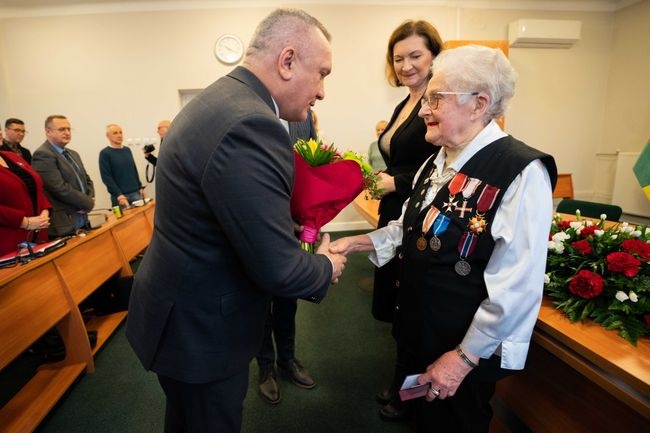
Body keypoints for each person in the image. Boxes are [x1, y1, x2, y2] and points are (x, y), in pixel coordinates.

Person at [125, 9, 345, 433]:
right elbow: (279, 269)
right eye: (321, 74)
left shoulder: (221, 99)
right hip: (201, 329)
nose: (321, 92)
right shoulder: (253, 123)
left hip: (180, 310)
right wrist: (325, 265)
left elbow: (226, 211)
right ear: (287, 60)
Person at [330, 45, 557, 433]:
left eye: (435, 98)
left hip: (463, 347)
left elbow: (516, 287)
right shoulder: (437, 160)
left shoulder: (521, 171)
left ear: (478, 104)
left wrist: (463, 359)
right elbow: (407, 228)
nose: (422, 110)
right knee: (425, 419)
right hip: (423, 330)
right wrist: (355, 243)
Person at [372, 19, 443, 421]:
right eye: (398, 58)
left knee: (414, 308)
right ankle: (405, 380)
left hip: (418, 212)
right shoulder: (406, 102)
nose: (406, 65)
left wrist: (395, 181)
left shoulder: (436, 99)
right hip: (396, 208)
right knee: (399, 306)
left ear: (435, 56)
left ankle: (412, 392)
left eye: (415, 55)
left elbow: (438, 162)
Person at [256, 110, 318, 405]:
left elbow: (313, 169)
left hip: (294, 229)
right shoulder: (250, 113)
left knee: (286, 301)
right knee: (258, 304)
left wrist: (312, 216)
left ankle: (288, 359)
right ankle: (265, 367)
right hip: (255, 229)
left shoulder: (303, 118)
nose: (318, 93)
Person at [31, 115, 95, 237]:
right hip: (65, 221)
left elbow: (86, 179)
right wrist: (87, 203)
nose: (67, 133)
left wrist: (91, 197)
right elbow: (59, 188)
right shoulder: (43, 154)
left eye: (69, 129)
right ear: (48, 132)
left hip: (82, 216)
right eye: (62, 129)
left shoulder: (73, 154)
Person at [0, 151, 51, 256]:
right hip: (9, 240)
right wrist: (24, 222)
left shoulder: (12, 156)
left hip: (38, 233)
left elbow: (36, 187)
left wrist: (44, 211)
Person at [99, 124, 145, 208]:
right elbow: (106, 177)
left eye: (121, 132)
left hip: (136, 193)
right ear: (108, 136)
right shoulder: (105, 153)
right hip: (121, 197)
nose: (119, 135)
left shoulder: (127, 150)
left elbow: (133, 170)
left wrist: (140, 187)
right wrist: (118, 194)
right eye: (115, 133)